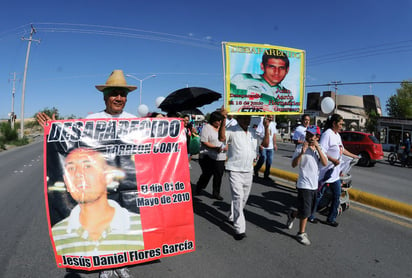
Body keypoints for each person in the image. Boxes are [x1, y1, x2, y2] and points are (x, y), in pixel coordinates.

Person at [37, 69, 139, 278]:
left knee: (123, 223)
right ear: (105, 96)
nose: (119, 98)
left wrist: (177, 129)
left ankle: (121, 263)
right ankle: (106, 265)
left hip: (125, 181)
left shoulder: (135, 121)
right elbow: (74, 144)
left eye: (123, 94)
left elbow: (154, 144)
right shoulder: (92, 119)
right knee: (102, 221)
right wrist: (54, 129)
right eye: (114, 93)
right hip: (99, 181)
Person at [52, 148, 144, 256]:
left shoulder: (140, 227)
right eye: (71, 168)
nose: (78, 174)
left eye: (88, 166)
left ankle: (119, 266)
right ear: (66, 181)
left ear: (107, 176)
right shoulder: (58, 233)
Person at [218, 109, 270, 240]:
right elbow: (222, 138)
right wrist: (223, 119)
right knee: (238, 196)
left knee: (243, 198)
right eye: (244, 118)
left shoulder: (252, 132)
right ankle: (239, 228)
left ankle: (232, 215)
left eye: (248, 118)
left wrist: (267, 127)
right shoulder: (232, 129)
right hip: (234, 169)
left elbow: (265, 144)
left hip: (248, 170)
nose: (247, 120)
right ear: (238, 118)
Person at [312, 114, 358, 227]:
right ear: (334, 123)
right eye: (340, 124)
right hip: (325, 172)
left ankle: (331, 219)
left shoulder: (337, 135)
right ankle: (310, 215)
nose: (342, 126)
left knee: (337, 195)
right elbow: (321, 151)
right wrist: (332, 160)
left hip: (335, 174)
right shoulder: (327, 135)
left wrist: (354, 156)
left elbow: (342, 149)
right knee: (319, 196)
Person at [285, 125, 327, 245]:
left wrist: (317, 147)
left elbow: (324, 163)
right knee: (306, 211)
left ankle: (292, 214)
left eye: (311, 135)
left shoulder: (320, 149)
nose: (308, 137)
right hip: (304, 184)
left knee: (307, 211)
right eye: (307, 134)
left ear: (317, 137)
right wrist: (301, 153)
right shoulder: (300, 147)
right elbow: (293, 164)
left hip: (314, 185)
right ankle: (301, 233)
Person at [229, 48, 292, 113]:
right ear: (262, 66)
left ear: (287, 70)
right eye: (272, 67)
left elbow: (283, 115)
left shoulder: (287, 95)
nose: (276, 72)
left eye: (281, 68)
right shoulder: (241, 79)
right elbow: (229, 104)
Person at [195, 111, 227, 200]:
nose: (219, 122)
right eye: (217, 120)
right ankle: (200, 186)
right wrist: (215, 148)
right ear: (213, 120)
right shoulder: (207, 128)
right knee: (207, 174)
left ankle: (216, 193)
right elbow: (204, 141)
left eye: (220, 120)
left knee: (218, 174)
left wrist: (226, 146)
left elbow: (226, 140)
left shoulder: (223, 128)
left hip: (220, 156)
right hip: (207, 155)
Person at [254, 115, 278, 180]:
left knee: (269, 161)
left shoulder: (273, 124)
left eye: (271, 117)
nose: (270, 118)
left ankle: (266, 175)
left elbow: (274, 135)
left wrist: (274, 144)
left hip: (270, 146)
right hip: (263, 145)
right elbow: (258, 135)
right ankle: (256, 169)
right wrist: (260, 145)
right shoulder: (262, 123)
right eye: (269, 117)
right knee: (263, 159)